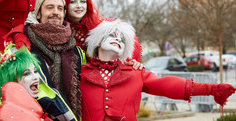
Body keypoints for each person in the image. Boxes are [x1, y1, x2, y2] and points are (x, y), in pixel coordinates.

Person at [80, 20, 236, 121]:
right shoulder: (80, 73)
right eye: (112, 35)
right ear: (98, 42)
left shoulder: (134, 72)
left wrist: (212, 89)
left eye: (122, 39)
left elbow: (169, 85)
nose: (117, 40)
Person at [59, 0, 142, 62]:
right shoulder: (60, 28)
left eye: (83, 2)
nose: (79, 6)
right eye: (73, 2)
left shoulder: (101, 24)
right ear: (64, 4)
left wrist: (130, 63)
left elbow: (128, 41)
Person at [0, 44, 66, 121]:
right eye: (27, 74)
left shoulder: (47, 105)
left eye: (35, 71)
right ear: (13, 82)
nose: (35, 77)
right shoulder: (3, 112)